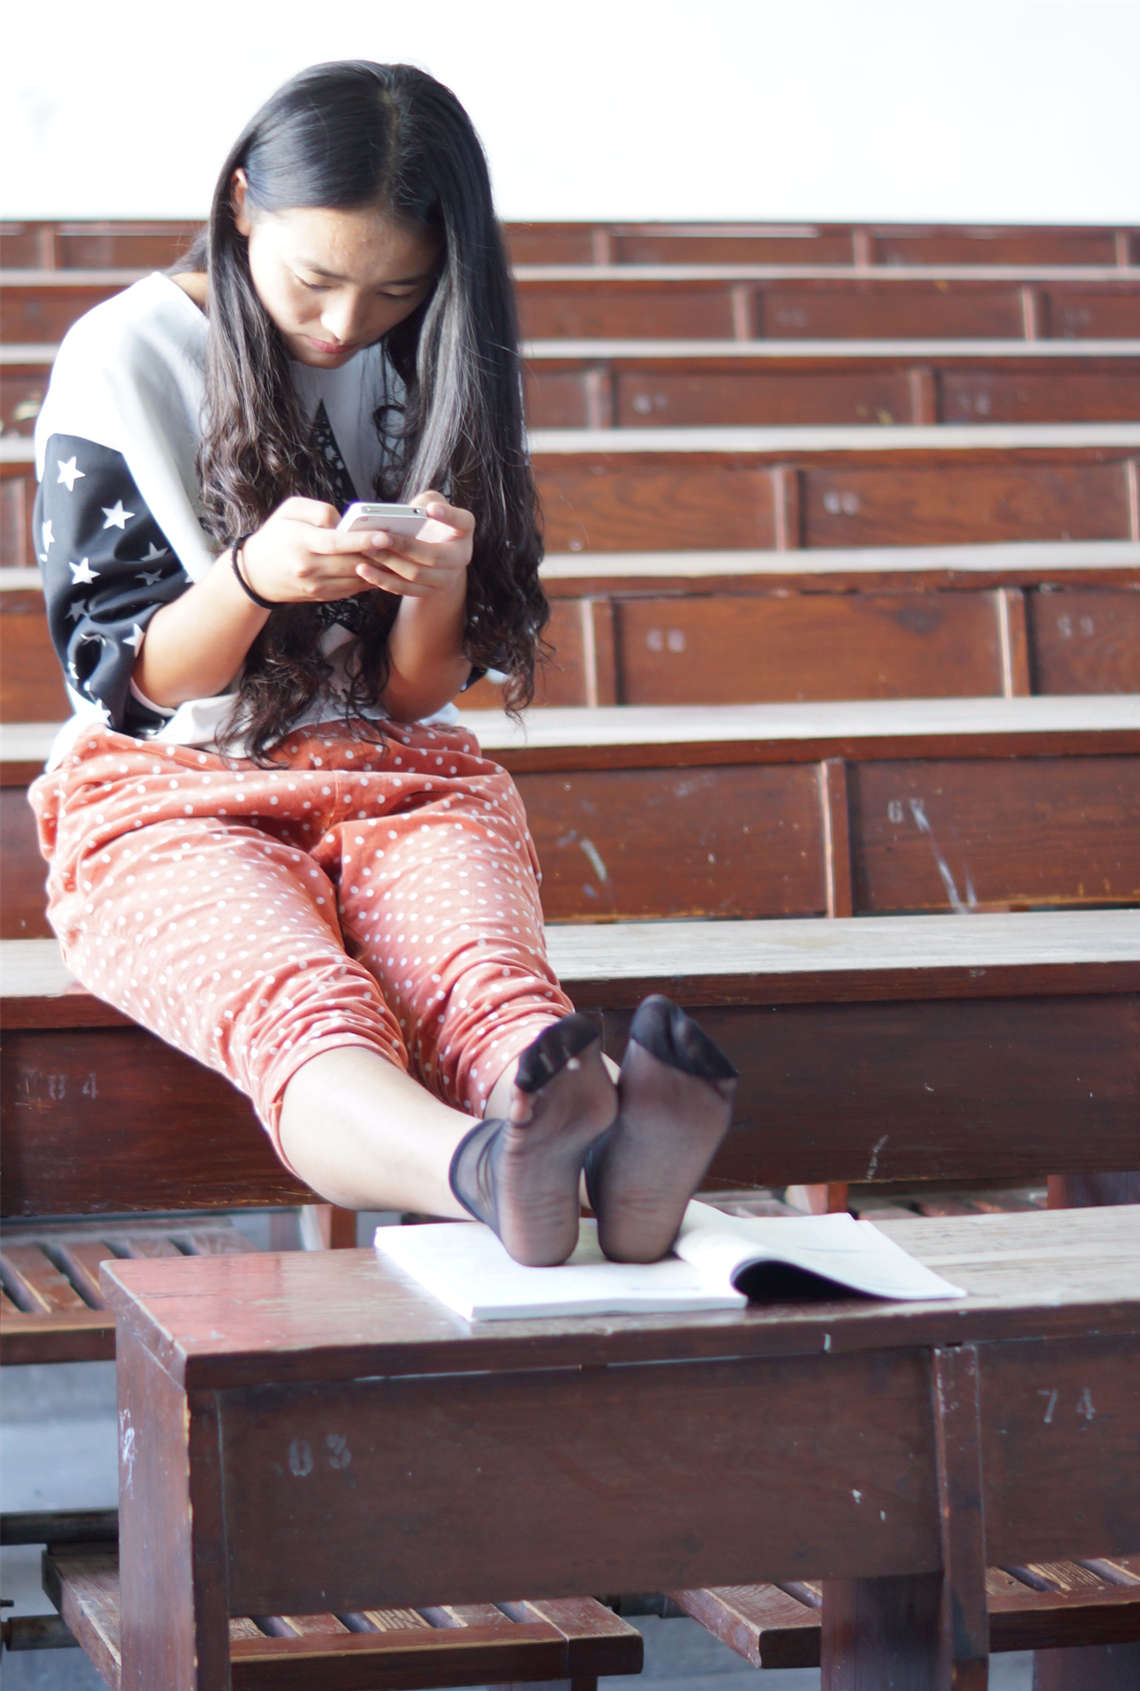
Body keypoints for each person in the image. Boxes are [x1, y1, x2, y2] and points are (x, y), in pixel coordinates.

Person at [28, 60, 737, 1269]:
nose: (344, 324)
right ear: (241, 203)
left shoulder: (438, 350)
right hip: (168, 789)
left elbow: (411, 696)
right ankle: (495, 1166)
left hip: (390, 767)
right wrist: (251, 578)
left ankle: (597, 1153)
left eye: (395, 289)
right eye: (315, 279)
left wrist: (438, 581)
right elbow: (130, 682)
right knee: (300, 1003)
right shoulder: (124, 353)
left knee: (487, 982)